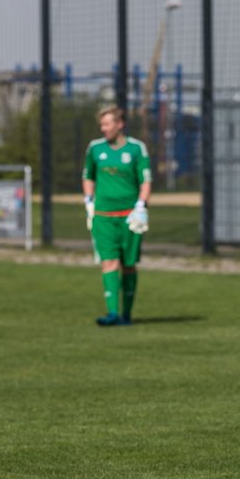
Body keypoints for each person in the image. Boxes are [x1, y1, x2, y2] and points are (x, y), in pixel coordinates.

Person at [82, 105, 152, 326]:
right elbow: (88, 176)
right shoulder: (95, 148)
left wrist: (141, 206)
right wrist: (88, 201)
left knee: (128, 264)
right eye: (101, 124)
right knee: (108, 262)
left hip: (130, 217)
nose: (103, 128)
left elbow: (145, 180)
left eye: (107, 124)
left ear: (120, 124)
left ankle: (127, 315)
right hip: (103, 216)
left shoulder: (136, 149)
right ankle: (112, 313)